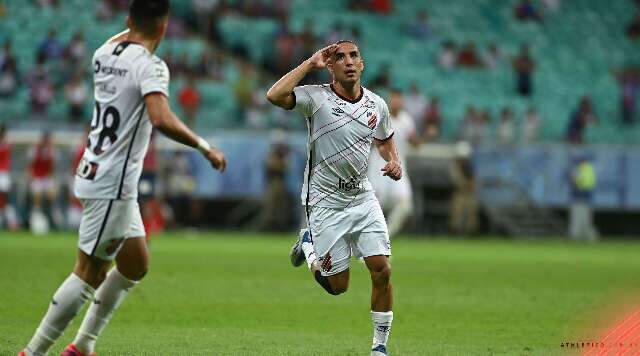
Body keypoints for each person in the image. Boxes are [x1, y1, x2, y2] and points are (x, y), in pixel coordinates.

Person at [19, 1, 227, 355]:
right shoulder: (151, 67)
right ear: (164, 26)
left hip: (97, 170)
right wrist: (204, 146)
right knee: (88, 272)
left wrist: (137, 22)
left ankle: (83, 345)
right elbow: (160, 118)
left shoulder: (104, 53)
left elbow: (128, 34)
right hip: (113, 182)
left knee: (134, 263)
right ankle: (32, 352)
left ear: (129, 20)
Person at [267, 40, 401, 356]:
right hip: (324, 202)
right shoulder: (316, 98)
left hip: (361, 198)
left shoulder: (376, 104)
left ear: (362, 64)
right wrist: (309, 62)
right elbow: (273, 95)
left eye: (354, 55)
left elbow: (384, 139)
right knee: (337, 286)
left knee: (382, 269)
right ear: (331, 67)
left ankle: (379, 347)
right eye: (340, 57)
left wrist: (392, 160)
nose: (349, 61)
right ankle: (309, 246)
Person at [368, 89, 420, 237]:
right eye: (393, 99)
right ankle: (364, 241)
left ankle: (385, 236)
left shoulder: (406, 119)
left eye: (398, 99)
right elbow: (369, 140)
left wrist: (427, 135)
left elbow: (414, 142)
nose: (396, 102)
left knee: (405, 205)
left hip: (398, 165)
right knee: (374, 206)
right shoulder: (381, 116)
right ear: (389, 101)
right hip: (379, 166)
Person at [27, 131, 60, 230]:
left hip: (47, 177)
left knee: (51, 196)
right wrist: (30, 177)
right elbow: (30, 165)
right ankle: (36, 215)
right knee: (37, 196)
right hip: (37, 177)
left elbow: (52, 167)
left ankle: (51, 214)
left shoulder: (52, 151)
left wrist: (53, 179)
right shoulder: (34, 150)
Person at [569, 155, 598, 241]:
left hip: (581, 196)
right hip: (584, 197)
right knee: (585, 219)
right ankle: (584, 237)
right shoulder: (589, 168)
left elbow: (578, 181)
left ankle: (578, 236)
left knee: (579, 219)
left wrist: (575, 180)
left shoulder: (582, 169)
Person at [0, 124, 19, 230]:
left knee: (4, 200)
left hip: (3, 175)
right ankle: (11, 222)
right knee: (4, 201)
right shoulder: (7, 144)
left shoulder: (7, 144)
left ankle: (11, 222)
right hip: (3, 175)